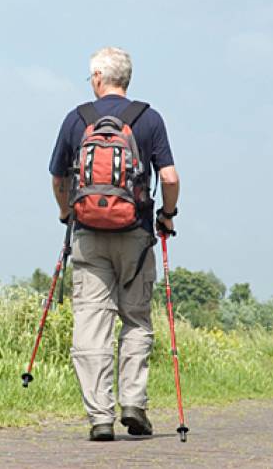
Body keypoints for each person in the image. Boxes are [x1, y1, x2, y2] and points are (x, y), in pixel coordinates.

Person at [48, 46, 179, 441]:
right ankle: (134, 404)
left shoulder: (77, 119)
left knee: (92, 324)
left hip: (88, 237)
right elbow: (169, 178)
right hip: (136, 237)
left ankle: (100, 417)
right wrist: (166, 216)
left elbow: (58, 180)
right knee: (135, 319)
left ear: (98, 78)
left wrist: (66, 213)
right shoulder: (149, 119)